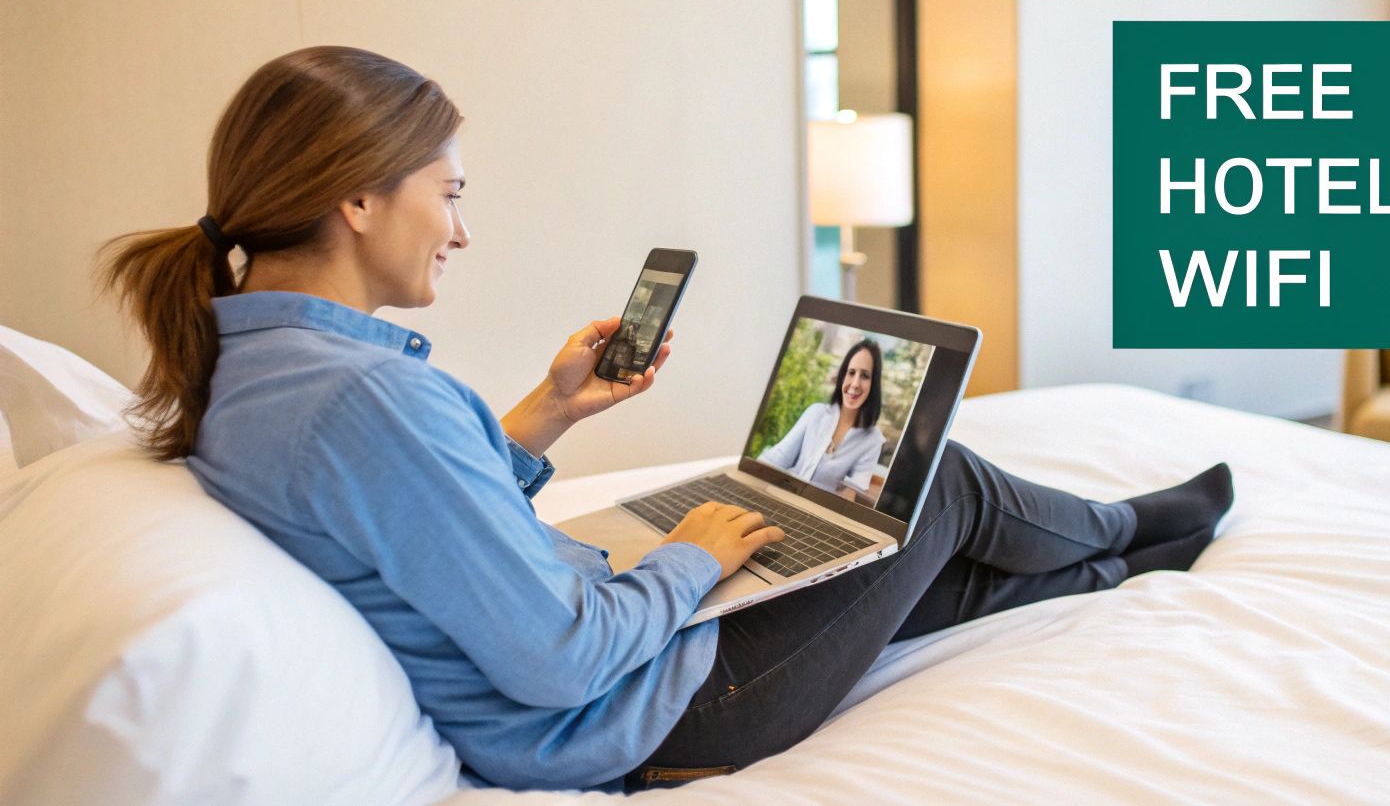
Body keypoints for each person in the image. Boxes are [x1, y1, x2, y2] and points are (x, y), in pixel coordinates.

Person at [103, 46, 1237, 793]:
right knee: (931, 482)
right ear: (357, 198)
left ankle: (1108, 571)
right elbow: (558, 658)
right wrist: (688, 558)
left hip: (613, 670)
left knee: (913, 559)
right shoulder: (359, 394)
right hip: (646, 715)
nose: (458, 231)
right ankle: (1123, 526)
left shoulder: (257, 362)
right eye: (448, 192)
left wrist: (546, 413)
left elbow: (402, 511)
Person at [756, 339, 886, 500]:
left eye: (865, 376)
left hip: (820, 514)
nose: (855, 383)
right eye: (851, 372)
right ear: (843, 375)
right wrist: (748, 475)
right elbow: (778, 458)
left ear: (874, 384)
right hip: (784, 499)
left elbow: (851, 496)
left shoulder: (873, 440)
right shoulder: (816, 412)